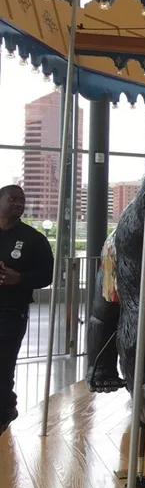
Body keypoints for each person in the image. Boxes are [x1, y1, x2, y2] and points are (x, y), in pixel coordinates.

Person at [0, 185, 54, 435]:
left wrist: (19, 278)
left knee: (3, 365)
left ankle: (3, 415)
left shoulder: (34, 240)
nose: (19, 204)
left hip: (12, 312)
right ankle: (8, 405)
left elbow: (47, 275)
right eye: (13, 199)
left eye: (22, 200)